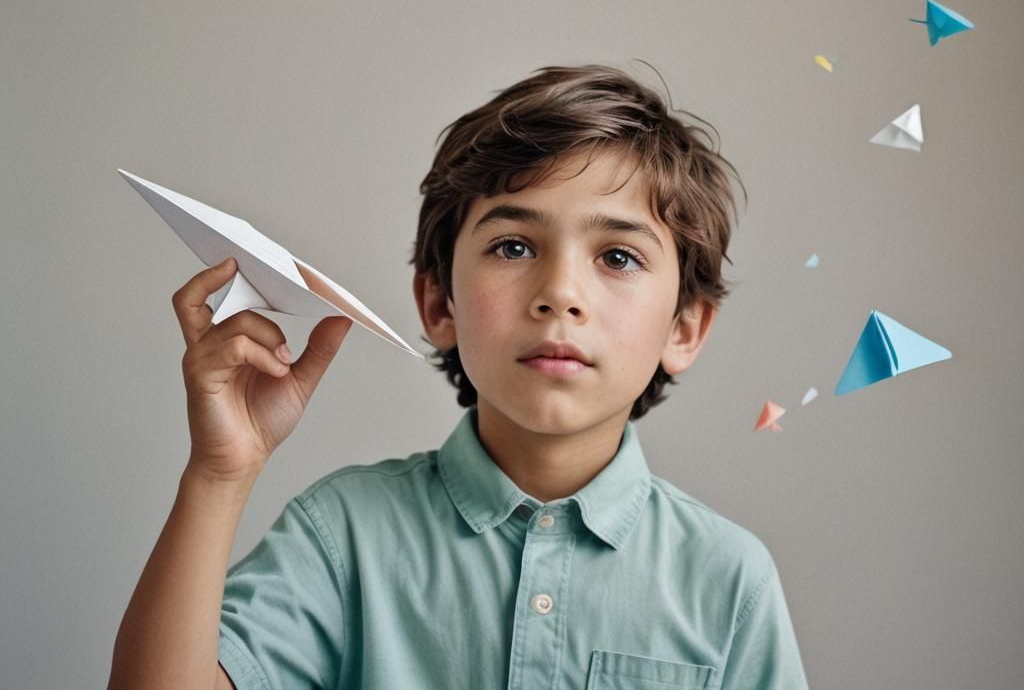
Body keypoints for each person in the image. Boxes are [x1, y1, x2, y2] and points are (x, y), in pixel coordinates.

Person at [107, 63, 808, 690]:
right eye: (513, 245)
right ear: (438, 303)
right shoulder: (344, 536)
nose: (560, 292)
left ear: (684, 328)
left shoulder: (730, 583)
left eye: (618, 257)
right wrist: (218, 475)